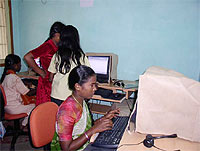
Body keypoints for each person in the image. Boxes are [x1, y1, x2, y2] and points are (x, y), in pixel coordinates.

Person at [51, 65, 120, 151]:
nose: (95, 89)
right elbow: (66, 148)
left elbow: (84, 127)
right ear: (78, 86)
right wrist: (93, 130)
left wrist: (104, 118)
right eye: (92, 85)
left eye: (95, 85)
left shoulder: (81, 101)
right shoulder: (67, 111)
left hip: (84, 144)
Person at [24, 21, 65, 106]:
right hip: (46, 85)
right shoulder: (47, 46)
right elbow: (27, 57)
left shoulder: (57, 47)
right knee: (47, 111)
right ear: (57, 34)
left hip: (54, 84)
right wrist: (41, 72)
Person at [48, 25, 90, 106]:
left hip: (56, 95)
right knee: (73, 118)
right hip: (73, 96)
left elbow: (51, 77)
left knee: (59, 118)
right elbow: (88, 75)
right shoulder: (80, 56)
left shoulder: (57, 55)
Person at [1, 54, 36, 126]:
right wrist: (39, 88)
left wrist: (23, 82)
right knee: (35, 106)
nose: (21, 66)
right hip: (14, 108)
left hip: (6, 108)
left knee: (28, 103)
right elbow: (28, 93)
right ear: (15, 66)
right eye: (20, 65)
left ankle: (22, 124)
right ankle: (24, 125)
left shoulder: (6, 76)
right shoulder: (14, 78)